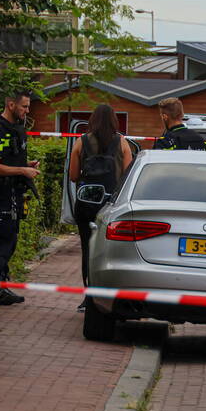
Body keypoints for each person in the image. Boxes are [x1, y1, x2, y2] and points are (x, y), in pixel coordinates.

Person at [68, 104, 132, 308]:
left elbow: (73, 175)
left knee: (88, 250)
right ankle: (110, 297)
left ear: (92, 120)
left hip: (86, 205)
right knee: (111, 252)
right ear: (114, 121)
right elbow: (127, 177)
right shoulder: (121, 142)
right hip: (110, 207)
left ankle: (88, 298)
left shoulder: (81, 141)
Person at [0, 91, 39, 305]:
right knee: (2, 241)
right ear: (11, 104)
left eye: (28, 106)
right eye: (24, 106)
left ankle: (3, 284)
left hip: (14, 193)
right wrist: (22, 171)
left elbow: (9, 161)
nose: (27, 111)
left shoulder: (15, 130)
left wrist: (26, 166)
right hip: (2, 194)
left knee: (10, 240)